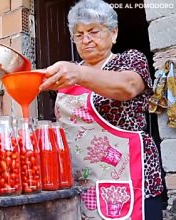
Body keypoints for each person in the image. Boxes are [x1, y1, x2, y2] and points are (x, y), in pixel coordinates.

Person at [38, 0, 163, 219]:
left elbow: (128, 86)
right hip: (80, 186)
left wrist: (78, 74)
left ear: (113, 33)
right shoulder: (66, 73)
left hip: (128, 183)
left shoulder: (130, 60)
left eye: (93, 31)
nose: (86, 39)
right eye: (79, 34)